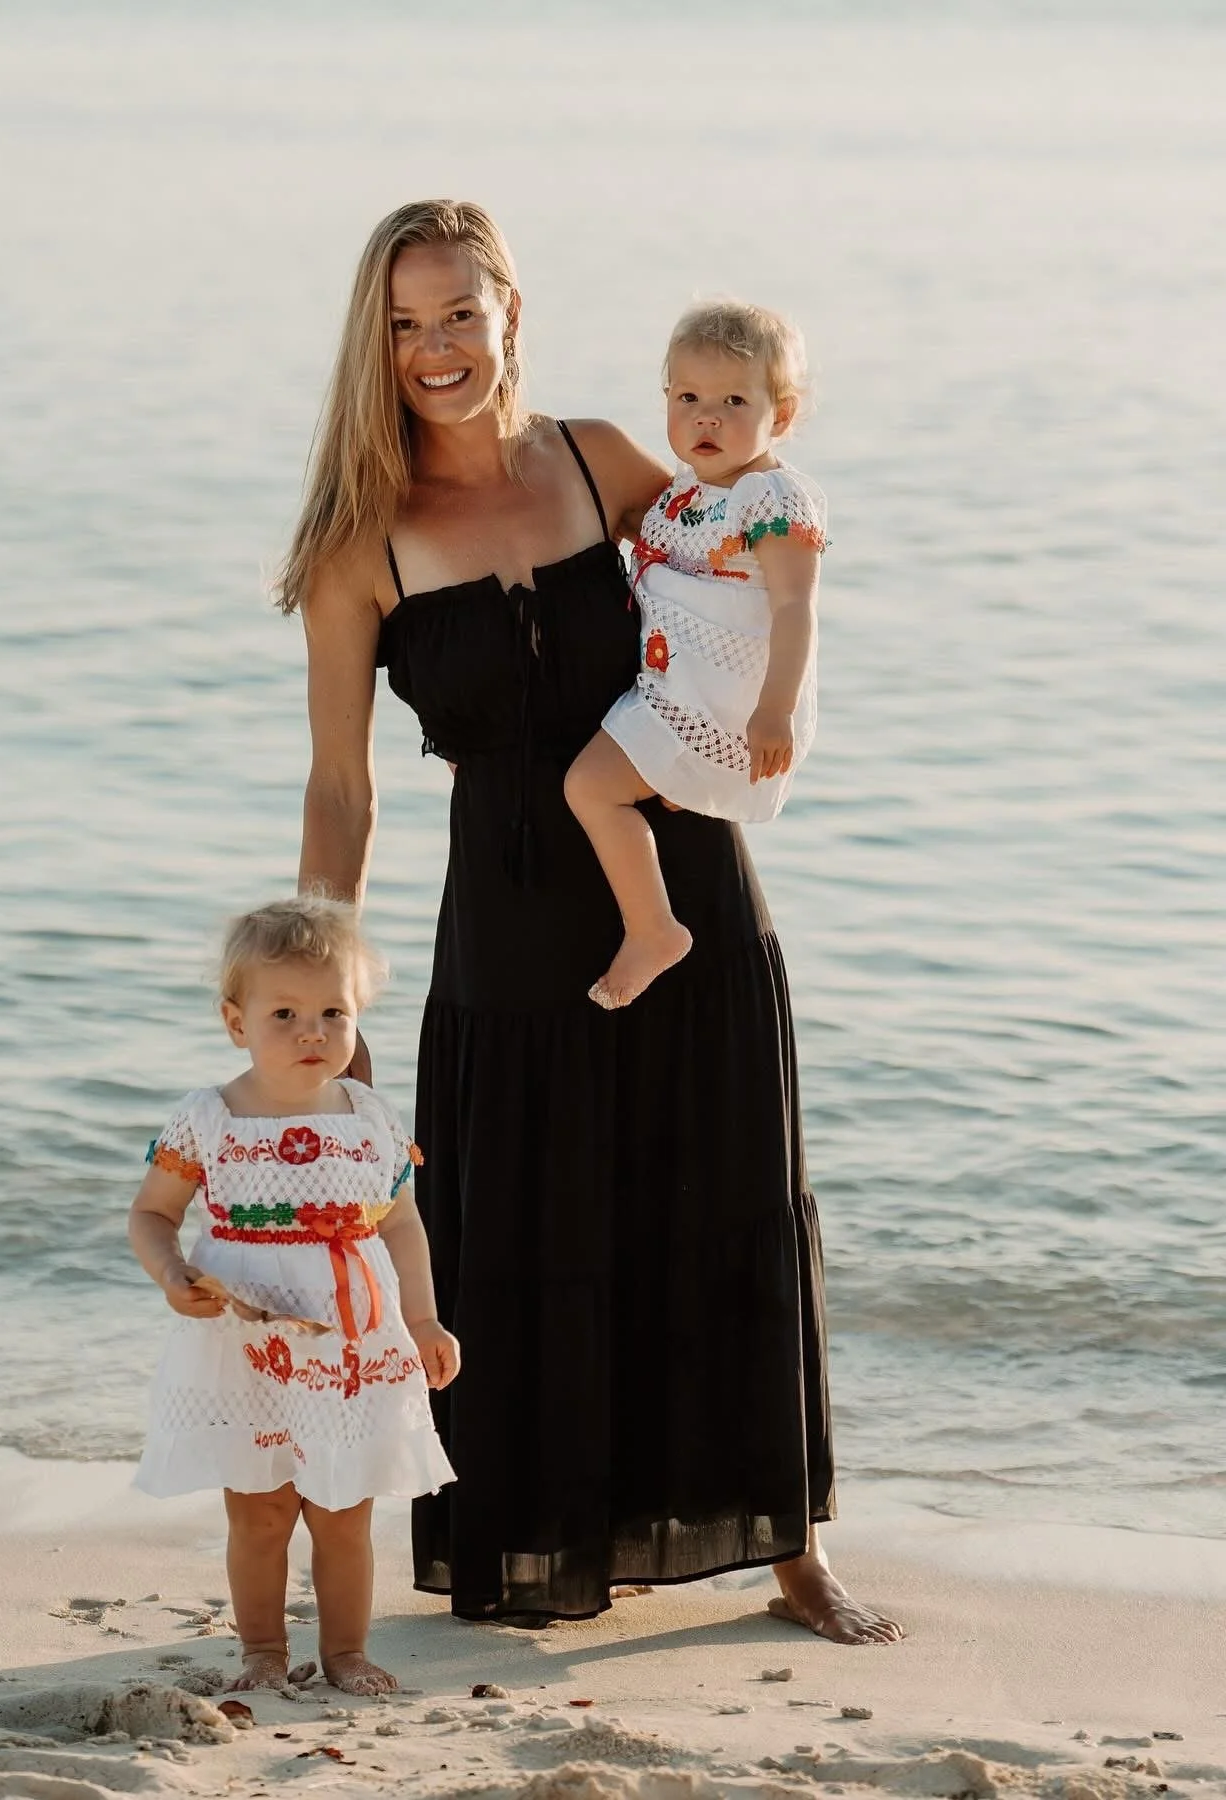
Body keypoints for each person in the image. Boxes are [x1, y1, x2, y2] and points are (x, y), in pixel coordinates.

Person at [284, 198, 900, 1645]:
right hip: (502, 920)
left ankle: (787, 1545)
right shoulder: (357, 542)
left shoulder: (604, 457)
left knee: (728, 1198)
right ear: (376, 343)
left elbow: (753, 558)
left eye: (459, 312)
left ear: (509, 311)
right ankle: (537, 1539)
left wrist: (779, 709)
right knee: (523, 1230)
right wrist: (329, 978)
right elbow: (340, 784)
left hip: (681, 881)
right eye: (406, 321)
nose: (437, 346)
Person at [128, 897, 459, 1695]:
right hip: (243, 1342)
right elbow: (151, 1214)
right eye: (285, 1013)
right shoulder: (211, 1118)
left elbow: (404, 1224)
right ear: (235, 1021)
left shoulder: (371, 1117)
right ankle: (264, 1652)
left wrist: (422, 1318)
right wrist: (173, 1276)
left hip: (350, 1339)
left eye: (332, 1012)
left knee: (345, 1512)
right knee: (261, 1509)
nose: (313, 1032)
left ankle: (345, 1650)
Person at [565, 301, 826, 1008]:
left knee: (589, 787)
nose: (705, 418)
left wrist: (775, 711)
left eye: (733, 400)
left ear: (784, 413)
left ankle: (653, 928)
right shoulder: (683, 494)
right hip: (671, 689)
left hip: (723, 702)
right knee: (597, 785)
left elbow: (794, 607)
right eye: (687, 398)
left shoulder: (768, 497)